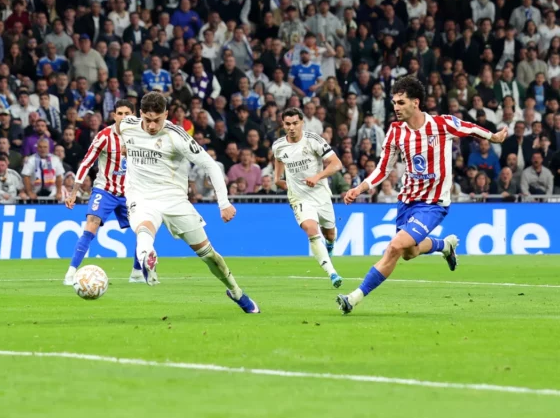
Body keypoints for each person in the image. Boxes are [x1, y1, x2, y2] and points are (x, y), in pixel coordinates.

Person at [337, 75, 507, 314]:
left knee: (394, 247)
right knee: (409, 252)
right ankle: (444, 245)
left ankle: (353, 298)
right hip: (406, 201)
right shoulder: (395, 132)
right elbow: (383, 168)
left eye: (401, 102)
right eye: (394, 102)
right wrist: (360, 188)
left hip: (433, 203)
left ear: (415, 102)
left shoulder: (441, 124)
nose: (396, 107)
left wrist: (494, 137)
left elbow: (469, 128)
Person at [116, 91, 259, 313]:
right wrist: (126, 153)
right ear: (140, 114)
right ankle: (147, 258)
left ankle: (236, 292)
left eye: (158, 120)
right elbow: (122, 136)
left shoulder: (177, 136)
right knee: (143, 229)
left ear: (166, 114)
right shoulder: (127, 126)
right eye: (148, 119)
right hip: (141, 196)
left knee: (209, 255)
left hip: (174, 200)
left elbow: (210, 165)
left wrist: (224, 203)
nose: (152, 125)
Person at [64, 99, 153, 286]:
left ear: (134, 116)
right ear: (114, 116)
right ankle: (71, 272)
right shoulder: (104, 136)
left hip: (130, 192)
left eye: (127, 113)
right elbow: (86, 163)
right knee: (91, 224)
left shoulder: (142, 136)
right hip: (105, 190)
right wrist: (74, 192)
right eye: (119, 113)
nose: (123, 117)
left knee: (143, 230)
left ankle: (137, 272)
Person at [272, 107, 344, 288]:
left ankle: (329, 245)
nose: (291, 127)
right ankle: (332, 273)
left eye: (295, 123)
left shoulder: (313, 140)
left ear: (302, 123)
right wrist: (282, 183)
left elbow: (337, 164)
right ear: (283, 124)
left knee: (330, 234)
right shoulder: (279, 146)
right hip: (299, 199)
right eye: (287, 124)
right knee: (311, 230)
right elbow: (278, 177)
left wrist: (317, 177)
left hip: (321, 194)